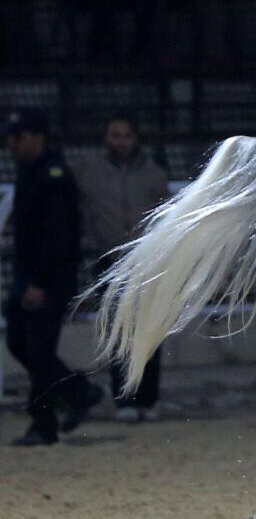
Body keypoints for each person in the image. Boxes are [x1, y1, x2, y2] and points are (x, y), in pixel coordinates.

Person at [3, 107, 103, 446]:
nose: (10, 143)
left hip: (47, 279)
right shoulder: (31, 170)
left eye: (17, 136)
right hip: (28, 276)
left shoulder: (54, 175)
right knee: (21, 343)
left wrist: (40, 284)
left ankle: (43, 423)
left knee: (38, 350)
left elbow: (58, 237)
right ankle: (79, 391)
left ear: (36, 136)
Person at [72, 112, 169, 421]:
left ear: (135, 138)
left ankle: (148, 399)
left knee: (150, 332)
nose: (121, 141)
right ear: (106, 138)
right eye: (115, 134)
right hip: (109, 259)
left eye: (126, 135)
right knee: (118, 333)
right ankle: (125, 400)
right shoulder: (88, 171)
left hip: (148, 260)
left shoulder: (154, 174)